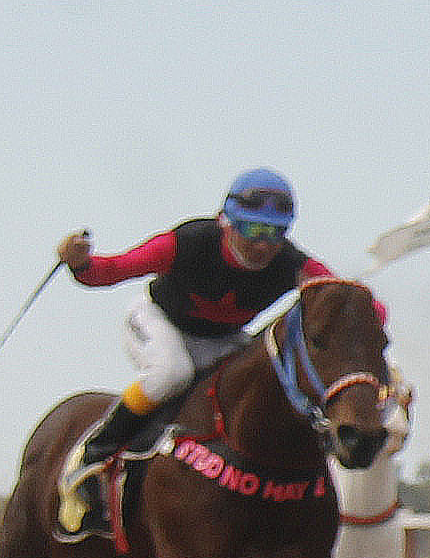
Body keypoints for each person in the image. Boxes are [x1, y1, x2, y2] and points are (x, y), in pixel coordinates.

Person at [54, 167, 351, 534]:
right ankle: (93, 454)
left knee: (262, 378)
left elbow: (345, 301)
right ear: (228, 223)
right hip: (159, 321)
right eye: (253, 230)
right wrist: (80, 263)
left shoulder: (292, 264)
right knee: (172, 373)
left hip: (221, 338)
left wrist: (372, 314)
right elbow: (114, 270)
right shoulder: (189, 242)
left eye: (275, 233)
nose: (263, 245)